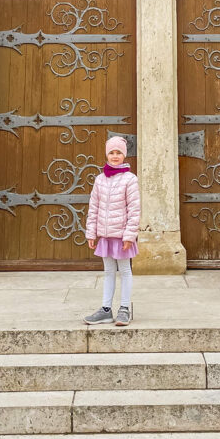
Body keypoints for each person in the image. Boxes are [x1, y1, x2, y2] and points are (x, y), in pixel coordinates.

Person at [83, 136, 141, 327]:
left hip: (122, 235)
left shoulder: (130, 179)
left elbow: (134, 209)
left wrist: (129, 235)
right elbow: (94, 208)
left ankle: (124, 309)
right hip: (105, 236)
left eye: (119, 153)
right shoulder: (100, 180)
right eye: (111, 152)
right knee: (108, 272)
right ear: (107, 154)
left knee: (124, 270)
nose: (115, 156)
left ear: (124, 155)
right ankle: (106, 310)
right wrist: (91, 233)